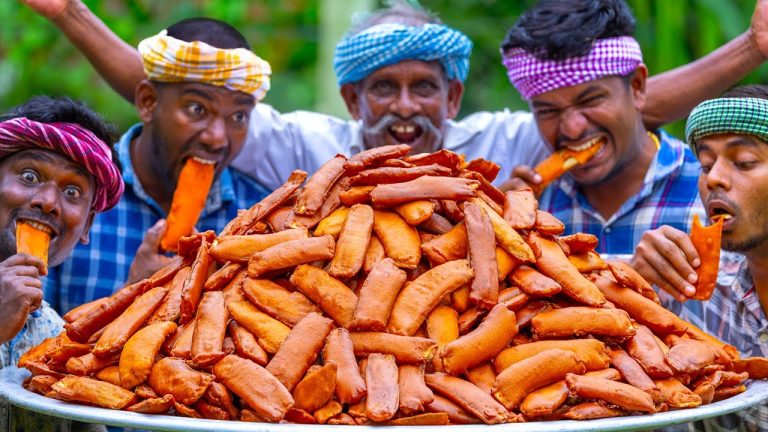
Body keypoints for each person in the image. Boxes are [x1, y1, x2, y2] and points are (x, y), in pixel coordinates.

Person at [21, 0, 768, 191]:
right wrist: (72, 16)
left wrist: (751, 49)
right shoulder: (308, 147)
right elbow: (191, 98)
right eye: (384, 89)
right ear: (352, 98)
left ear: (452, 98)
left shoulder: (500, 143)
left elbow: (630, 108)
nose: (404, 108)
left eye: (423, 89)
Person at [43, 18, 273, 314]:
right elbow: (23, 351)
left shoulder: (260, 216)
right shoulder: (65, 198)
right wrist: (131, 297)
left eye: (238, 116)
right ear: (148, 102)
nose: (217, 138)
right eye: (197, 109)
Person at [499, 0, 750, 255]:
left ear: (637, 87)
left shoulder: (716, 191)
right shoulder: (534, 206)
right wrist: (498, 227)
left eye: (590, 100)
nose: (573, 130)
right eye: (548, 111)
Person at [632, 84, 768, 432]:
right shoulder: (693, 287)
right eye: (706, 164)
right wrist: (633, 281)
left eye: (744, 162)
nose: (715, 179)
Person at [0, 95, 123, 431]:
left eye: (72, 193)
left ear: (86, 227)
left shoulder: (59, 338)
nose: (47, 202)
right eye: (28, 176)